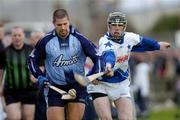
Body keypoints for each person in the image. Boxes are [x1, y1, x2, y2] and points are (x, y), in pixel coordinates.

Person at [87, 12, 171, 120]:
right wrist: (108, 65)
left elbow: (143, 41)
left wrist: (158, 45)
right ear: (109, 26)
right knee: (106, 118)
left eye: (120, 25)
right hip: (99, 82)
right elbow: (109, 55)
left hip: (120, 82)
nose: (116, 29)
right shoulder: (104, 41)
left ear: (124, 27)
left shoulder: (129, 37)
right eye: (114, 25)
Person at [27, 9, 99, 120]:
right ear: (53, 24)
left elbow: (98, 57)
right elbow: (32, 60)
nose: (63, 28)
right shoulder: (46, 41)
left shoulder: (80, 39)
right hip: (54, 88)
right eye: (59, 25)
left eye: (65, 24)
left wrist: (93, 74)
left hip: (77, 87)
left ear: (69, 21)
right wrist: (39, 76)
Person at [0, 26, 37, 120]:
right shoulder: (5, 52)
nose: (17, 37)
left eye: (19, 35)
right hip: (11, 91)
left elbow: (39, 66)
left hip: (29, 90)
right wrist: (0, 86)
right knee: (14, 117)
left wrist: (36, 76)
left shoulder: (31, 50)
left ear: (23, 36)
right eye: (14, 35)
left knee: (27, 118)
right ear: (11, 37)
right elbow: (1, 70)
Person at [29, 31, 47, 120]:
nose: (39, 39)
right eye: (36, 37)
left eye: (41, 37)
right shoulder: (28, 53)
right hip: (30, 92)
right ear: (31, 40)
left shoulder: (48, 52)